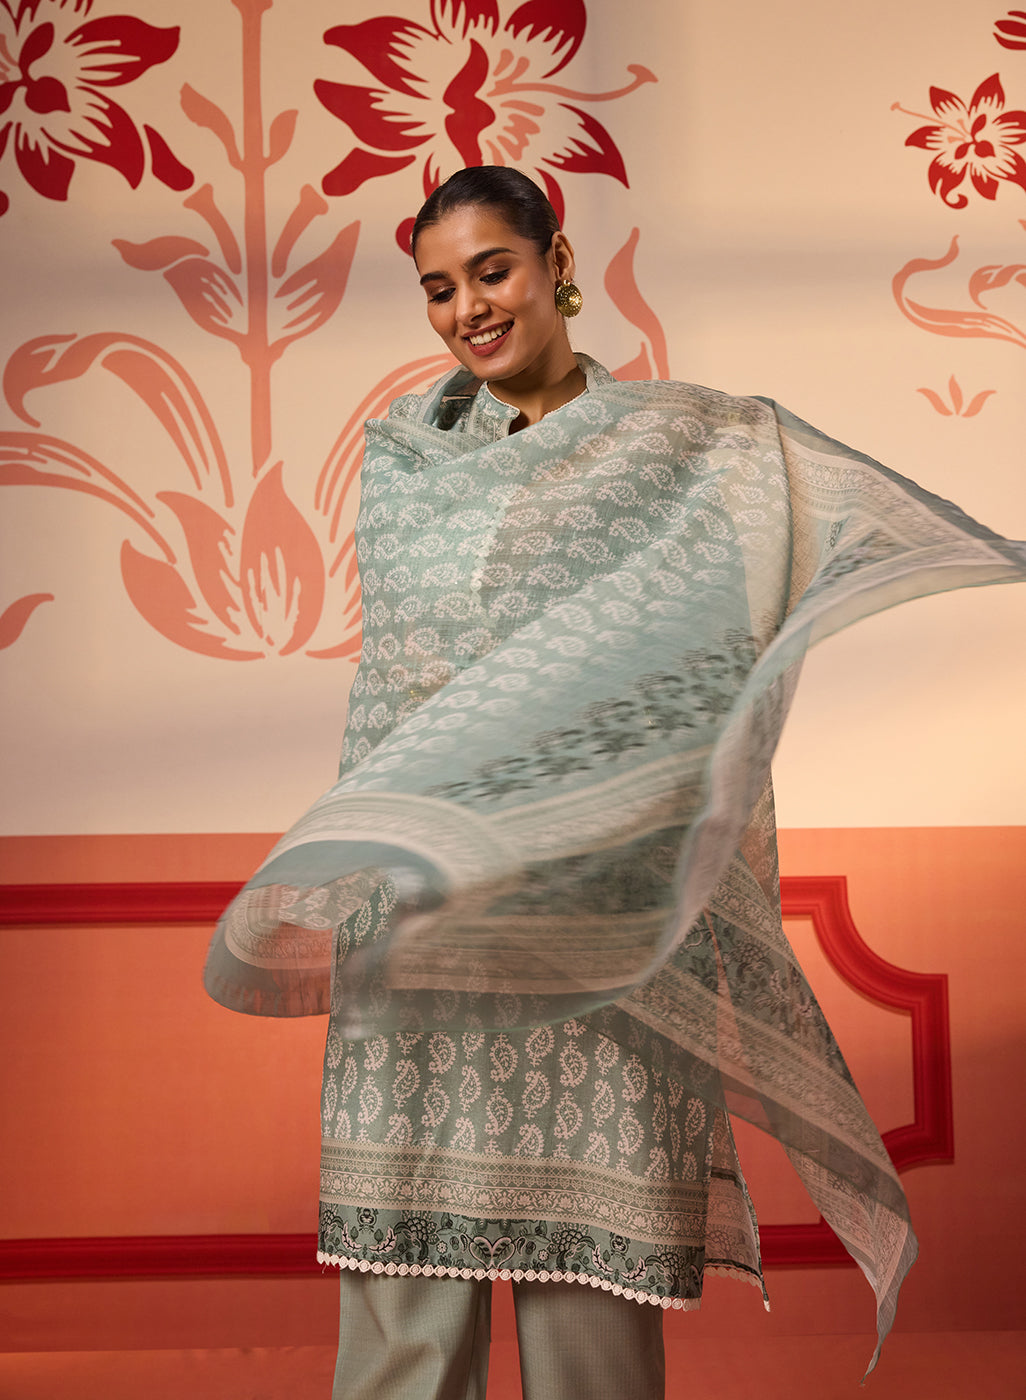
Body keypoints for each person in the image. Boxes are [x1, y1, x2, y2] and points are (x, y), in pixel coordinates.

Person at [204, 166, 1026, 1399]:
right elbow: (396, 698)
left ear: (552, 263)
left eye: (492, 272)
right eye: (439, 288)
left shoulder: (678, 449)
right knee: (403, 1311)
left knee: (590, 1323)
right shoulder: (405, 465)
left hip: (597, 920)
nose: (469, 308)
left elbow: (700, 660)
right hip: (423, 919)